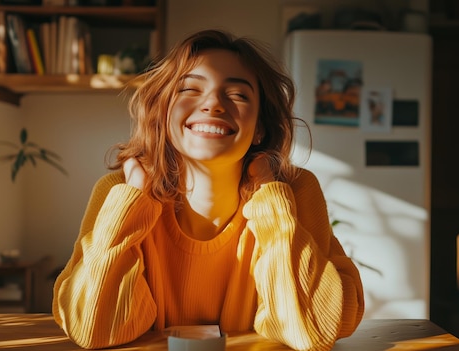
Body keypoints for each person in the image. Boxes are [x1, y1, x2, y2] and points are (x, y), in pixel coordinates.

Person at [52, 29, 365, 351]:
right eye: (189, 89)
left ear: (259, 128)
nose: (213, 104)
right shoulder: (119, 193)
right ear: (163, 113)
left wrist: (269, 194)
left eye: (238, 95)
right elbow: (94, 329)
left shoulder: (294, 192)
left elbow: (314, 329)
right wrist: (134, 196)